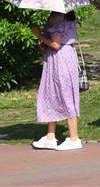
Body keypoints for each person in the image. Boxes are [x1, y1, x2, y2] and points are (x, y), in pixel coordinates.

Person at [30, 11, 82, 151]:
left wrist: (38, 34)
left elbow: (56, 44)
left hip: (60, 59)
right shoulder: (68, 15)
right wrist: (44, 42)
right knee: (52, 93)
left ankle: (74, 138)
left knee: (64, 95)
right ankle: (50, 136)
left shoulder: (57, 18)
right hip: (66, 56)